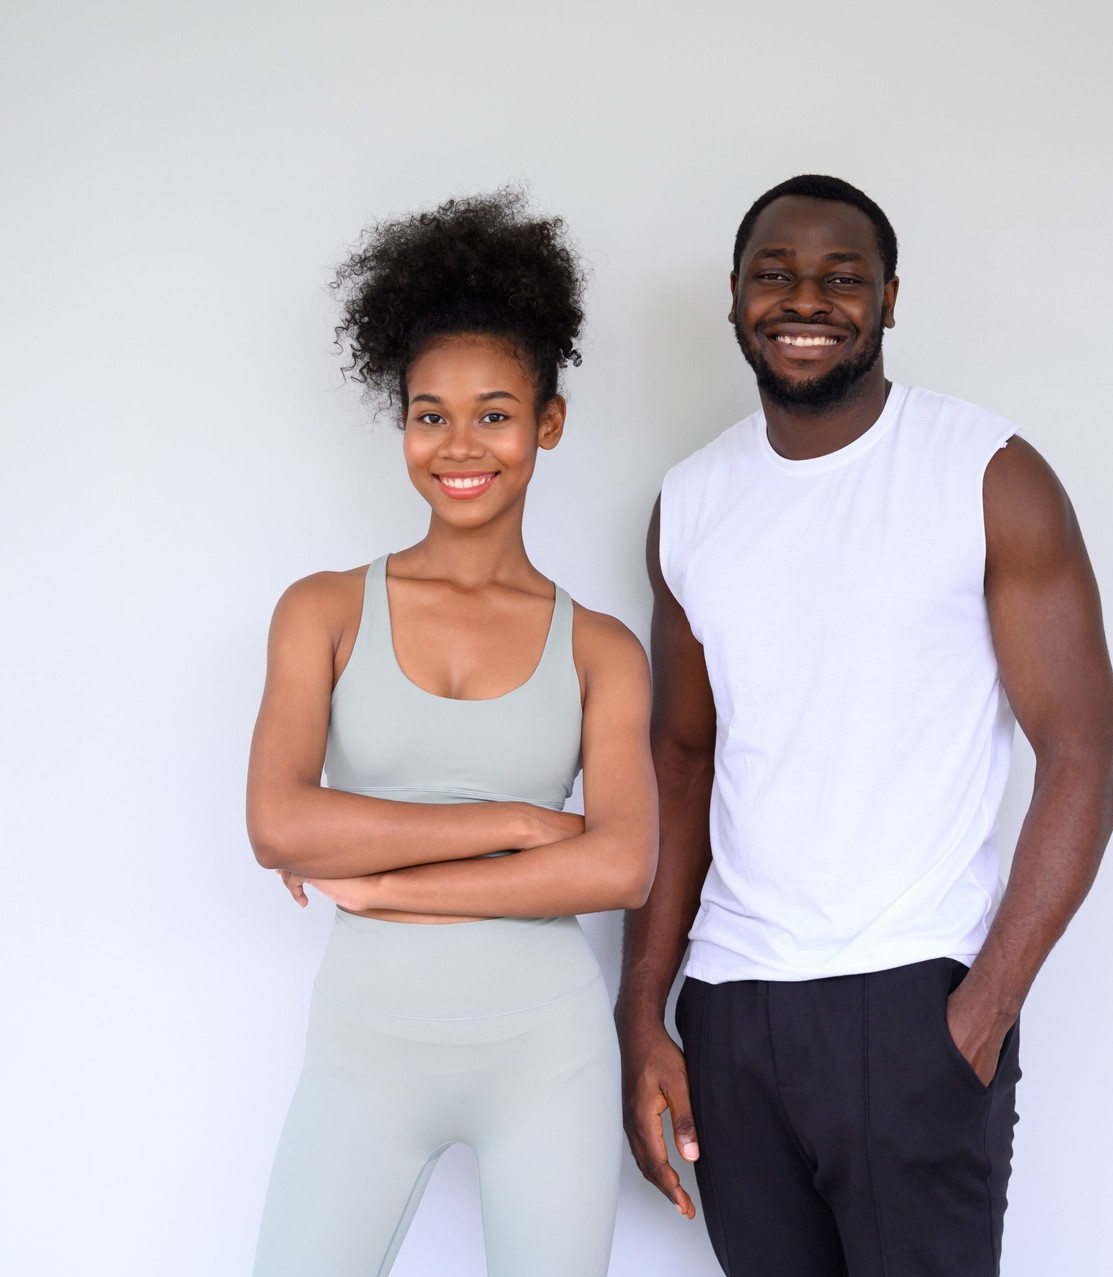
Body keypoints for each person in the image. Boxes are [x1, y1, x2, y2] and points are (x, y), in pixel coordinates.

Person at [616, 174, 1113, 1276]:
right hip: (732, 1006)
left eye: (843, 277)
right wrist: (644, 1013)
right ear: (736, 301)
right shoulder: (692, 502)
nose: (807, 299)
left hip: (911, 993)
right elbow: (682, 759)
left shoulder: (988, 473)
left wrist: (981, 1012)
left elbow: (1085, 749)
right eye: (776, 275)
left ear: (890, 298)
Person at [245, 189, 659, 1277]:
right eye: (430, 413)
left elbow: (621, 860)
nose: (460, 444)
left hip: (546, 1052)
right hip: (364, 1052)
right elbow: (277, 819)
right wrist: (520, 823)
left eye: (494, 411)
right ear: (402, 423)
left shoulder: (602, 647)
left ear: (548, 422)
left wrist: (389, 885)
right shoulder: (323, 609)